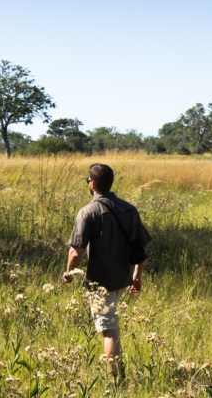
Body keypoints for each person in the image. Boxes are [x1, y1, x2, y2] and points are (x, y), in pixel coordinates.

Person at [63, 163, 151, 383]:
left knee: (108, 330)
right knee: (112, 325)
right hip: (123, 278)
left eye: (87, 180)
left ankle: (116, 381)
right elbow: (140, 249)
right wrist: (137, 276)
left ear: (92, 183)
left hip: (100, 282)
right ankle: (118, 373)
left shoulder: (88, 212)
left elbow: (76, 251)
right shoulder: (129, 209)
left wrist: (68, 272)